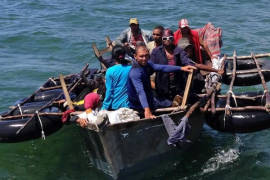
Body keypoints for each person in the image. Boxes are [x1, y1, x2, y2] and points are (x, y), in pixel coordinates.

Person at [127, 44, 196, 119]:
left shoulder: (148, 64)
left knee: (168, 103)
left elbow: (162, 68)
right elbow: (140, 92)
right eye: (141, 56)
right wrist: (147, 110)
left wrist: (182, 68)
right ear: (135, 56)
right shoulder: (135, 73)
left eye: (146, 55)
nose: (144, 59)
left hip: (150, 97)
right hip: (138, 104)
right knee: (167, 105)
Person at [101, 45, 131, 110]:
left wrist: (104, 108)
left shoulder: (110, 71)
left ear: (113, 57)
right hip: (130, 105)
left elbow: (109, 91)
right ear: (124, 55)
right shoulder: (131, 68)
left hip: (116, 106)